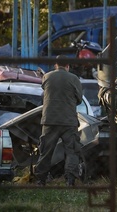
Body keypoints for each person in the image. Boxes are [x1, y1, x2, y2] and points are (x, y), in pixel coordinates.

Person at [34, 55, 83, 186]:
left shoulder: (47, 77)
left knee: (45, 151)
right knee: (72, 150)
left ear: (56, 65)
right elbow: (79, 99)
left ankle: (40, 180)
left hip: (50, 120)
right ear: (68, 66)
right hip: (69, 121)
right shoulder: (74, 78)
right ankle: (70, 180)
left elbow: (45, 92)